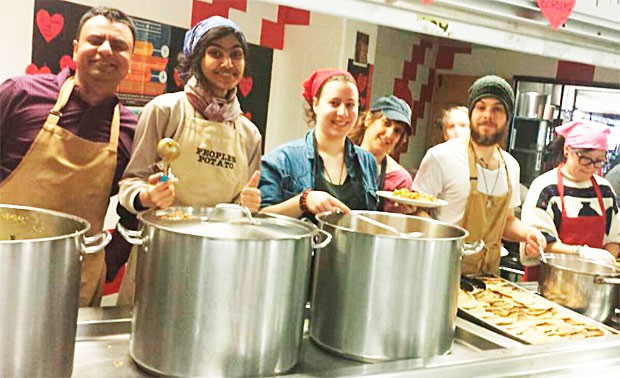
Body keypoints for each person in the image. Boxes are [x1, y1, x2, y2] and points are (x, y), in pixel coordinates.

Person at [117, 16, 262, 304]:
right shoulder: (165, 110)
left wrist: (247, 207)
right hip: (161, 254)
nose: (228, 64)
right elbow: (129, 184)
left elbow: (241, 206)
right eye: (216, 53)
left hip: (217, 262)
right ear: (197, 58)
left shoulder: (248, 134)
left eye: (236, 54)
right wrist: (147, 195)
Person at [0, 6, 137, 307]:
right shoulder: (20, 94)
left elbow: (134, 214)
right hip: (4, 267)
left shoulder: (131, 130)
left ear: (130, 61)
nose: (105, 50)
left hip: (73, 286)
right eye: (95, 40)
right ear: (76, 50)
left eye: (118, 46)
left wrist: (105, 264)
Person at [412, 75, 545, 275]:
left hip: (488, 277)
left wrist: (528, 234)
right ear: (471, 113)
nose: (488, 115)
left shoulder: (511, 167)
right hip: (440, 273)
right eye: (481, 107)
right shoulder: (441, 157)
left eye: (497, 109)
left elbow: (506, 222)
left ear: (508, 118)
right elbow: (417, 213)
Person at [259, 68, 378, 217]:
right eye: (334, 103)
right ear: (316, 104)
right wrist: (303, 201)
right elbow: (260, 218)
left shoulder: (367, 161)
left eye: (350, 105)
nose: (343, 113)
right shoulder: (282, 160)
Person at [520, 120, 619, 279]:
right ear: (567, 150)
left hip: (591, 283)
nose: (592, 167)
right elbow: (539, 243)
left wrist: (604, 263)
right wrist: (581, 253)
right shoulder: (546, 188)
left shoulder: (605, 190)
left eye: (599, 161)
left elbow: (615, 237)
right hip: (547, 280)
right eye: (586, 159)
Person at [349, 95, 413, 212]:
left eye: (397, 131)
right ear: (368, 119)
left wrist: (401, 212)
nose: (389, 134)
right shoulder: (338, 158)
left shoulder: (400, 180)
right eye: (386, 123)